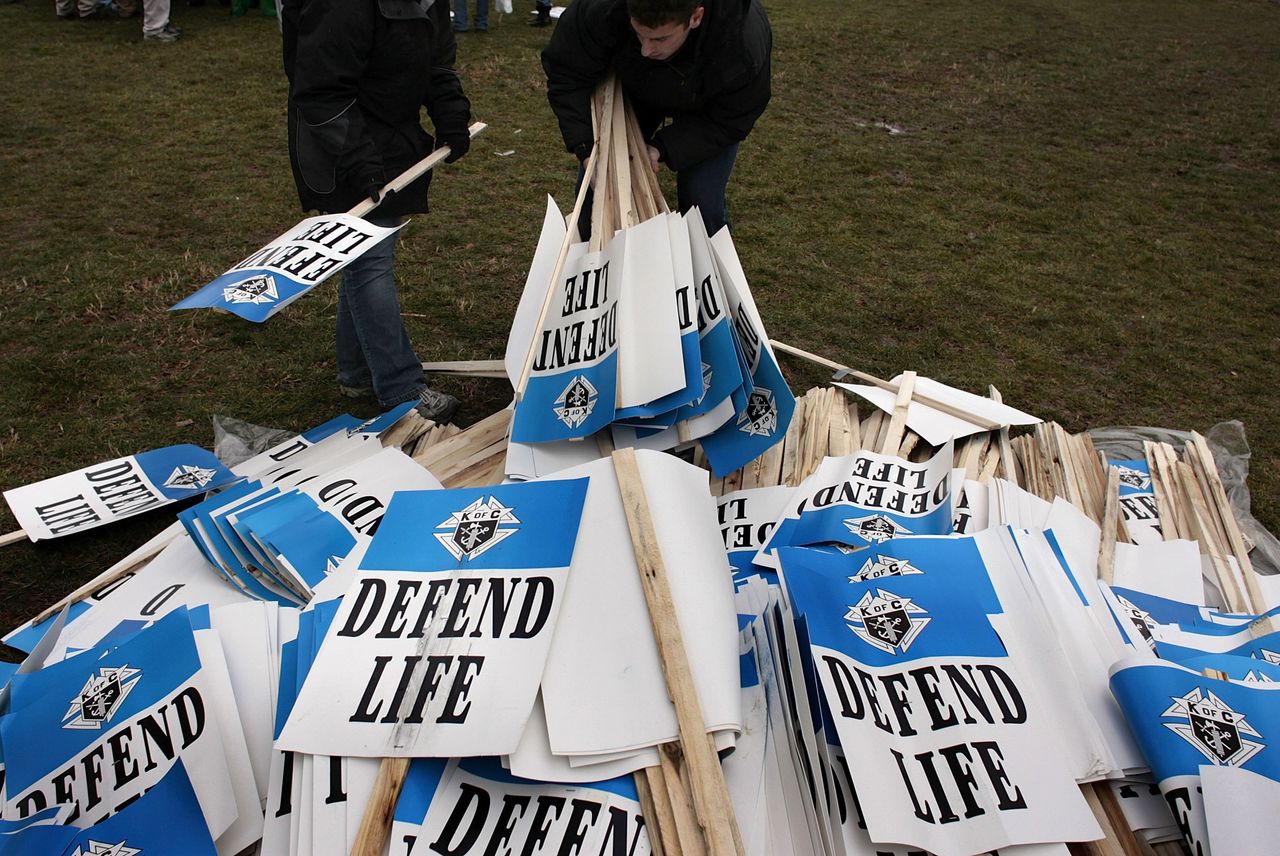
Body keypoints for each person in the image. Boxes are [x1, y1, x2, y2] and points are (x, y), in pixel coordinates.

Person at [282, 0, 472, 424]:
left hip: (390, 131)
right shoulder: (343, 6)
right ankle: (401, 388)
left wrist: (451, 113)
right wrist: (360, 162)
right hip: (335, 136)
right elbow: (321, 90)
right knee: (371, 261)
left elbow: (437, 65)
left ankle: (356, 370)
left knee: (367, 253)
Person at [541, 0, 770, 237]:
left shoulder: (740, 43)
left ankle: (709, 260)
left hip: (710, 105)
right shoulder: (603, 8)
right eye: (639, 34)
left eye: (660, 39)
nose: (646, 50)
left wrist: (663, 147)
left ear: (695, 17)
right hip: (636, 87)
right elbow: (566, 73)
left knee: (701, 202)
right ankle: (603, 262)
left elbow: (730, 118)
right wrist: (586, 146)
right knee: (597, 191)